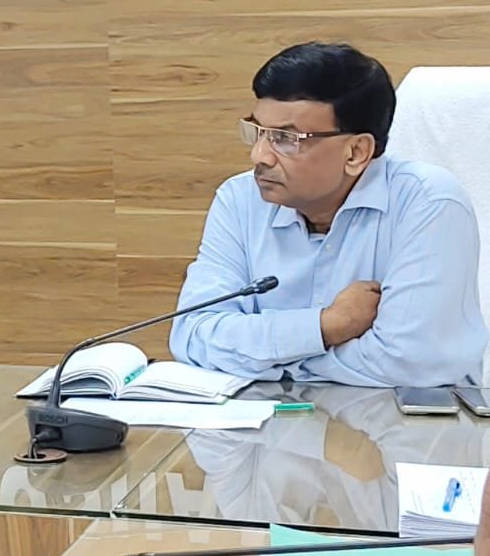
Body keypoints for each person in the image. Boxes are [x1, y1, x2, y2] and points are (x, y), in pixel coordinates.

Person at [169, 41, 485, 387]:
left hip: (405, 417)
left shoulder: (429, 202)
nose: (259, 156)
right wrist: (327, 326)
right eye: (257, 132)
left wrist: (273, 361)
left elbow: (407, 362)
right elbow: (192, 334)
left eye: (285, 138)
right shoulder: (240, 199)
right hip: (268, 415)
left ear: (356, 152)